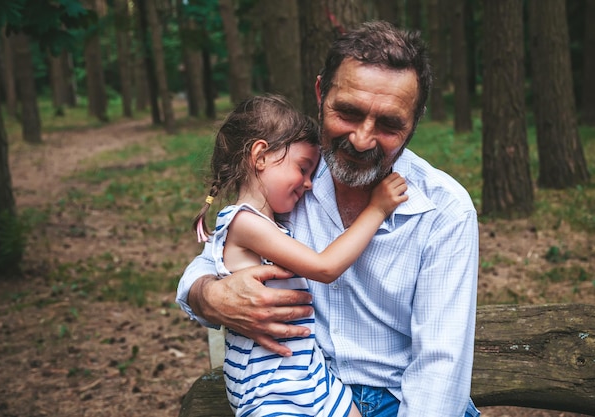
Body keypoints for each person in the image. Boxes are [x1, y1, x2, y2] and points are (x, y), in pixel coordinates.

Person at [177, 21, 480, 417]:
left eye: (389, 124)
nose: (361, 139)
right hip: (304, 396)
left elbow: (439, 372)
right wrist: (209, 295)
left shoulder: (445, 211)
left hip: (400, 401)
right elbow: (213, 259)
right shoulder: (290, 182)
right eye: (348, 113)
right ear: (321, 93)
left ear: (415, 121)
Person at [191, 94, 408, 417]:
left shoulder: (270, 224)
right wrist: (377, 209)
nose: (308, 184)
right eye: (303, 168)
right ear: (261, 156)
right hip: (270, 386)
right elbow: (325, 267)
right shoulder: (243, 222)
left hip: (310, 372)